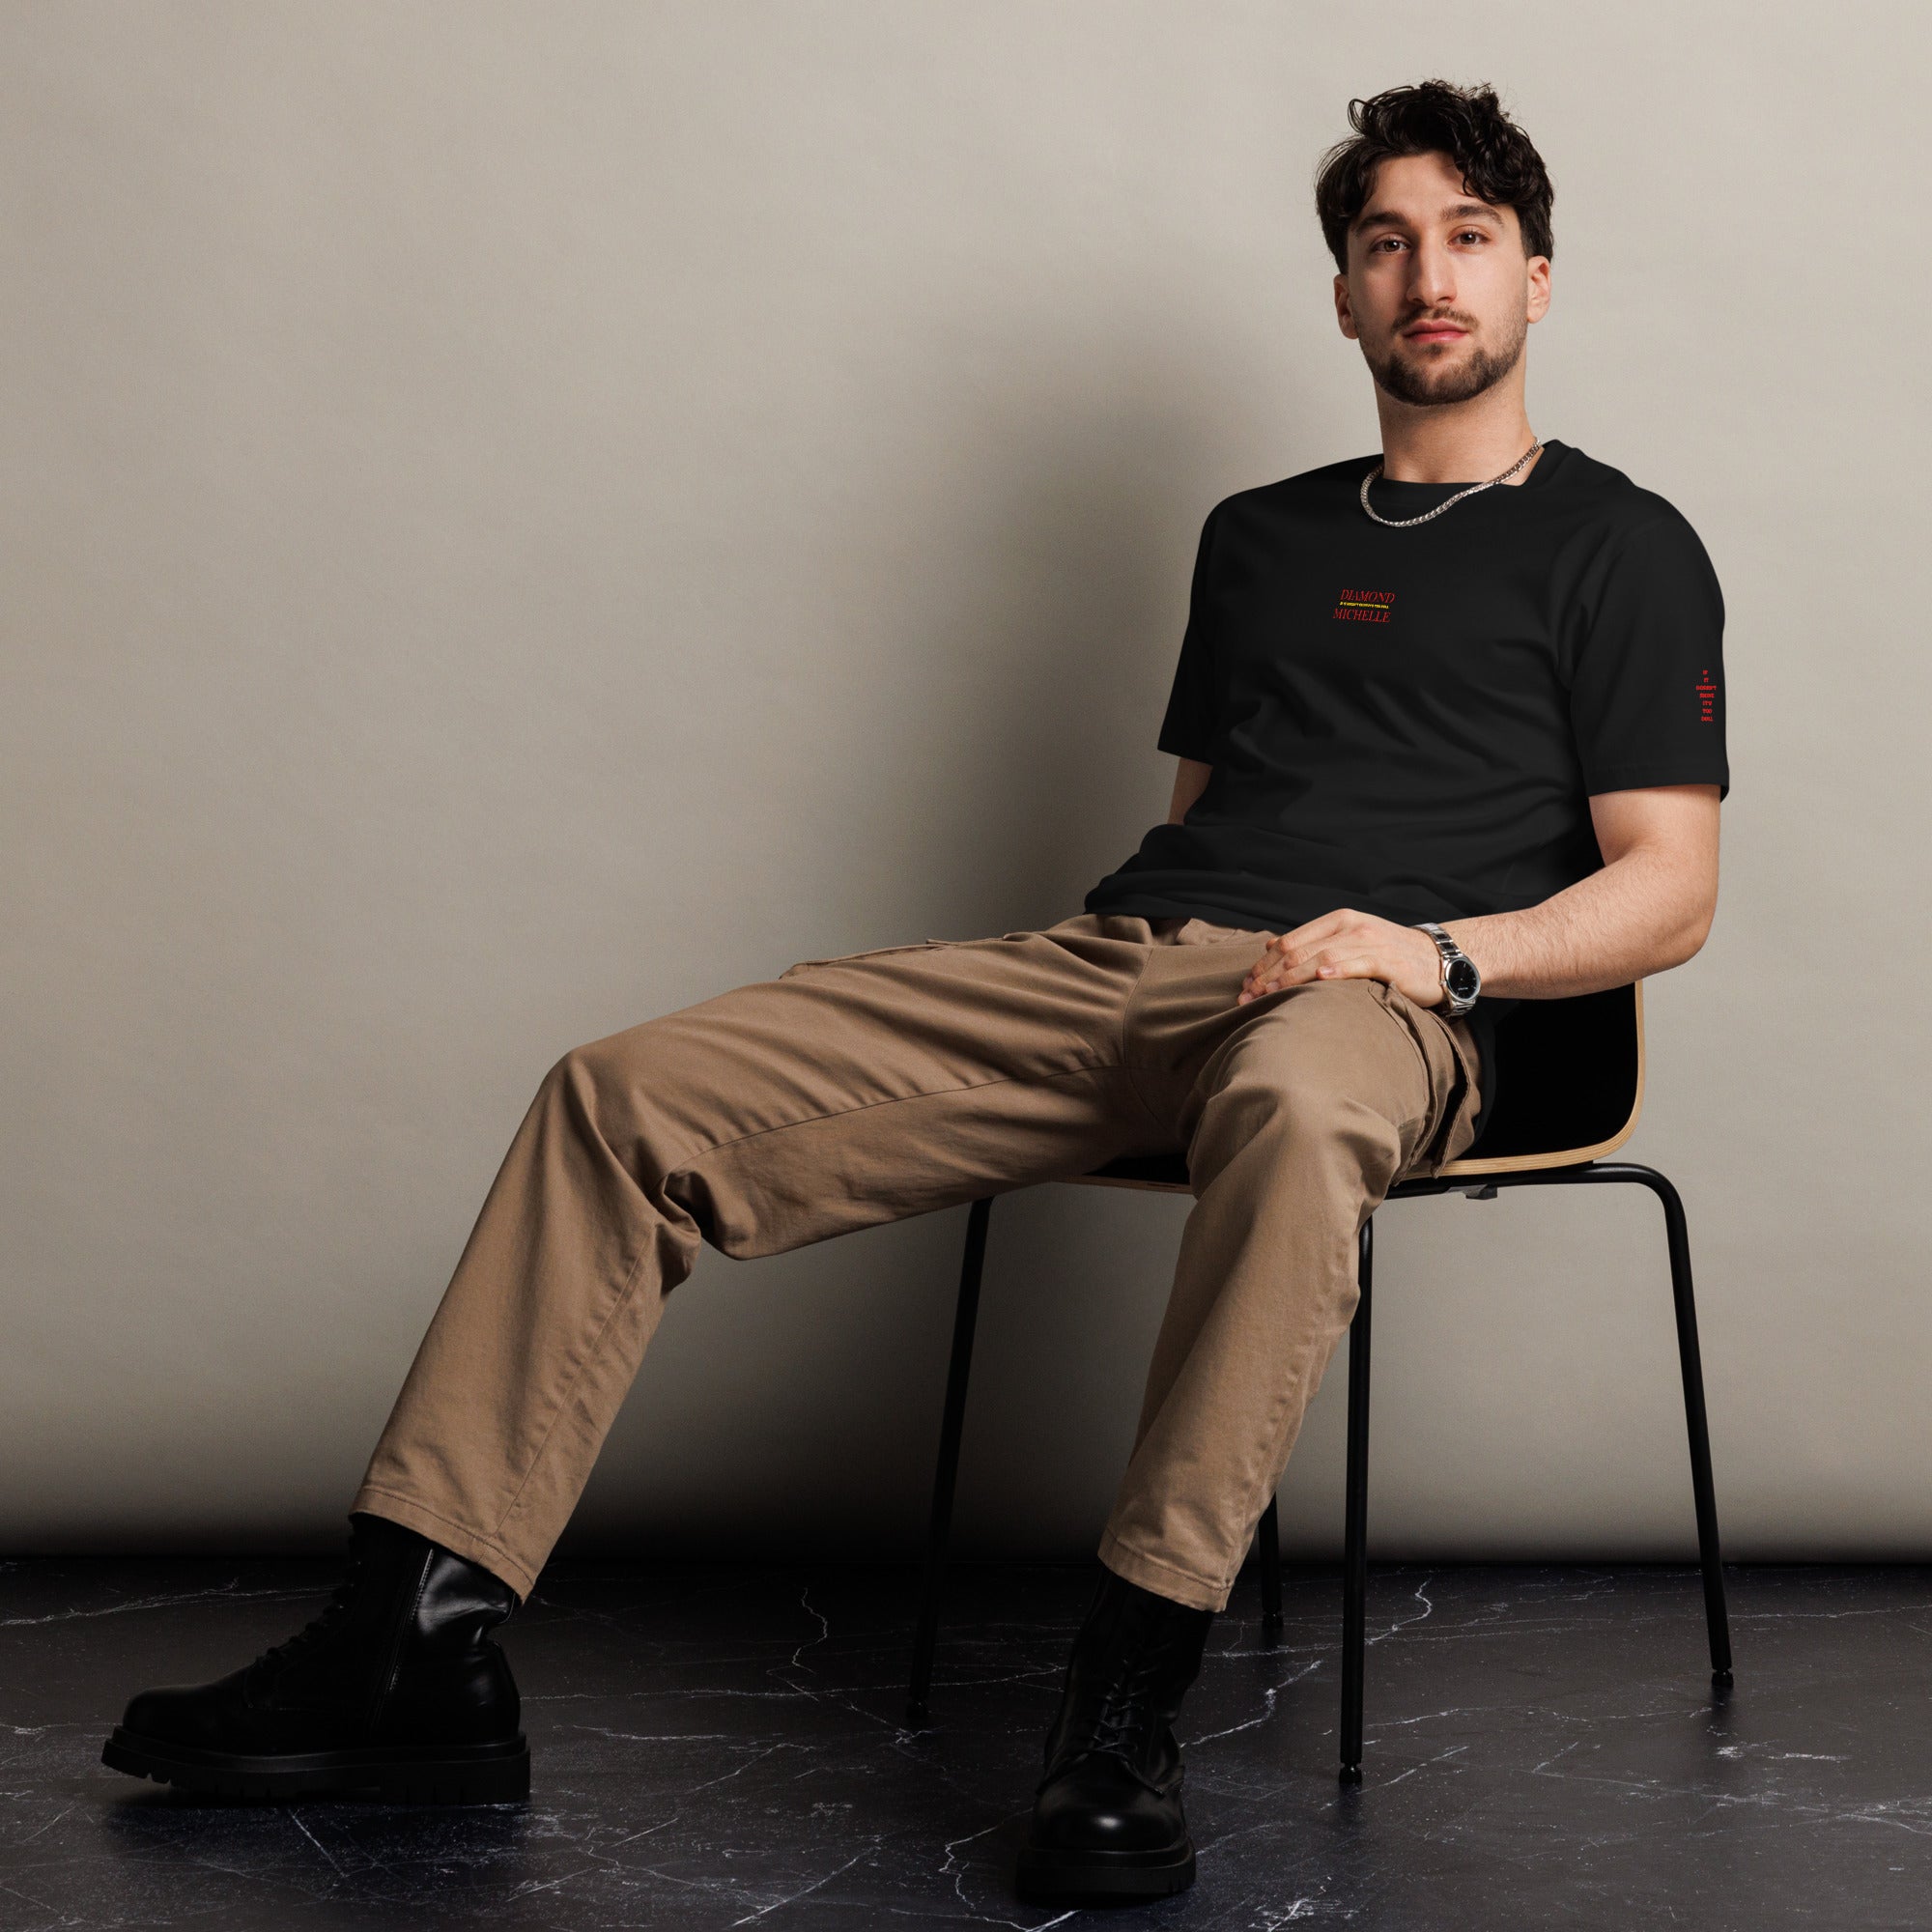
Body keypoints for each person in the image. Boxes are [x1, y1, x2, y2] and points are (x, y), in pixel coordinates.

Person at [101, 76, 1728, 1909]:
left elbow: (1670, 890)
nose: (1427, 274)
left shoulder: (1622, 544)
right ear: (1342, 296)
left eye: (1469, 239)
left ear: (1535, 280)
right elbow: (1200, 820)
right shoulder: (1257, 538)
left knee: (1291, 1105)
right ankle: (416, 1637)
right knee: (621, 1094)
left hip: (1384, 1005)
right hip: (1129, 969)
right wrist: (1133, 971)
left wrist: (1430, 953)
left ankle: (1123, 1701)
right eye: (1384, 242)